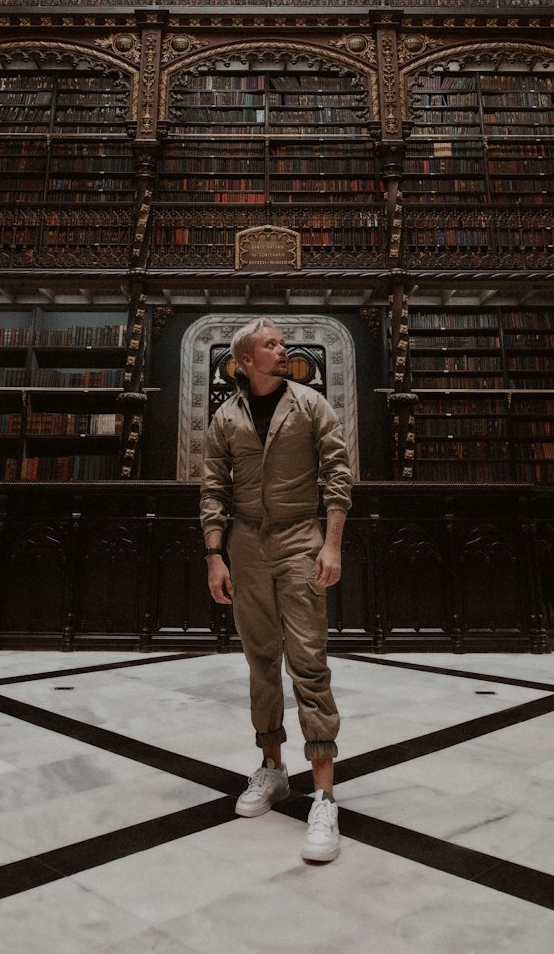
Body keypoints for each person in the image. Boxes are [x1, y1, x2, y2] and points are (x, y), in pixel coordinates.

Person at [200, 317, 352, 863]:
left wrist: (330, 545)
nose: (282, 349)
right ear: (245, 359)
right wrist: (215, 555)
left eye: (281, 342)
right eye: (271, 344)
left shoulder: (310, 404)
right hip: (245, 545)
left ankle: (325, 797)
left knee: (309, 662)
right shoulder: (225, 415)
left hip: (299, 540)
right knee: (260, 661)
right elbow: (213, 485)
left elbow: (337, 475)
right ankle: (272, 769)